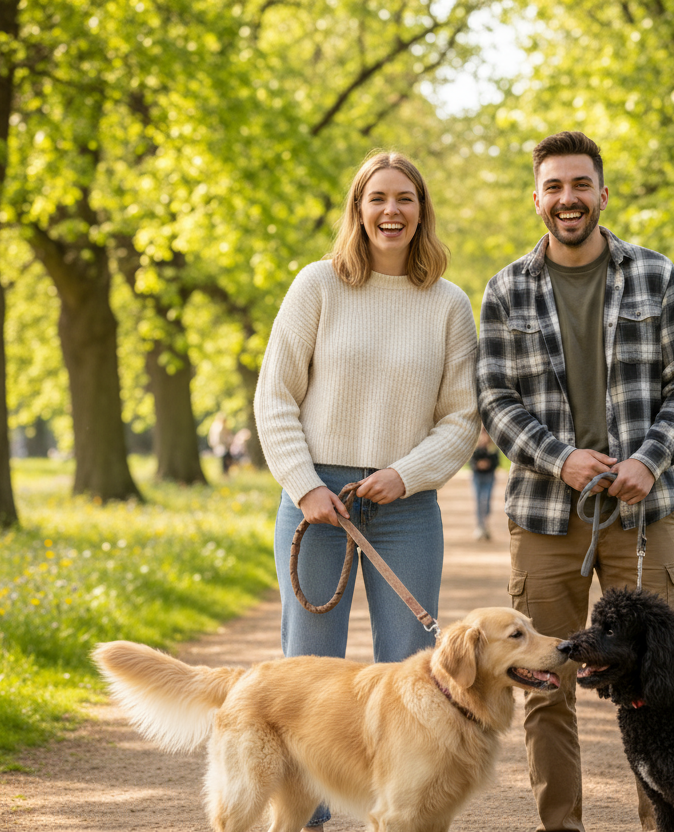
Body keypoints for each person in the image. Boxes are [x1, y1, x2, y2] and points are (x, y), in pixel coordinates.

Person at [476, 131, 674, 832]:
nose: (567, 199)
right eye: (553, 187)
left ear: (602, 194)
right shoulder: (506, 289)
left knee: (664, 685)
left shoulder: (655, 275)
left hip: (642, 512)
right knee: (547, 686)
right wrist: (559, 456)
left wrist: (648, 459)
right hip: (545, 516)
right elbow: (494, 398)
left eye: (580, 185)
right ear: (537, 199)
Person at [254, 150, 480, 830]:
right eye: (377, 198)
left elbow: (462, 418)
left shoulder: (448, 304)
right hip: (317, 504)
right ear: (358, 209)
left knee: (417, 674)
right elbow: (275, 398)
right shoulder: (317, 286)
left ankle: (401, 814)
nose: (391, 210)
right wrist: (304, 486)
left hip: (405, 506)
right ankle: (306, 821)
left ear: (422, 210)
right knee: (307, 677)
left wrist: (403, 474)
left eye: (405, 198)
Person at [469, 427, 500, 541]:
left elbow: (496, 463)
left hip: (489, 478)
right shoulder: (475, 449)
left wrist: (487, 464)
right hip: (477, 478)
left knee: (486, 501)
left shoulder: (492, 450)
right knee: (478, 501)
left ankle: (485, 524)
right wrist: (479, 465)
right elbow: (472, 463)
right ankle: (480, 526)